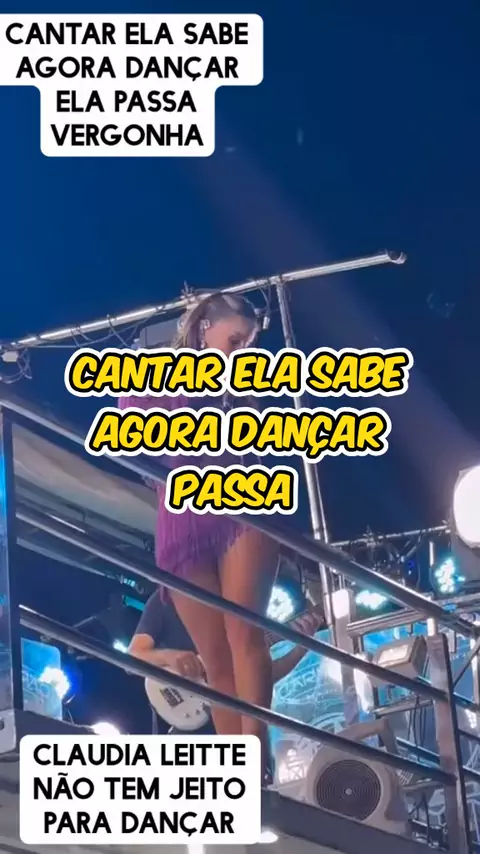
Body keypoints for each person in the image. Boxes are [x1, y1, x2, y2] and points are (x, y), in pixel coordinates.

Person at [119, 293, 279, 773]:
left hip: (242, 497)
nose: (242, 351)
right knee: (215, 658)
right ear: (205, 327)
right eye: (236, 339)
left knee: (245, 635)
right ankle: (239, 770)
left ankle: (255, 763)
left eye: (249, 344)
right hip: (182, 513)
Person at [129, 591, 323, 735]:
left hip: (233, 725)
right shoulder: (165, 599)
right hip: (188, 732)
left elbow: (262, 676)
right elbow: (133, 658)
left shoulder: (238, 600)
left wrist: (301, 648)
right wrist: (169, 657)